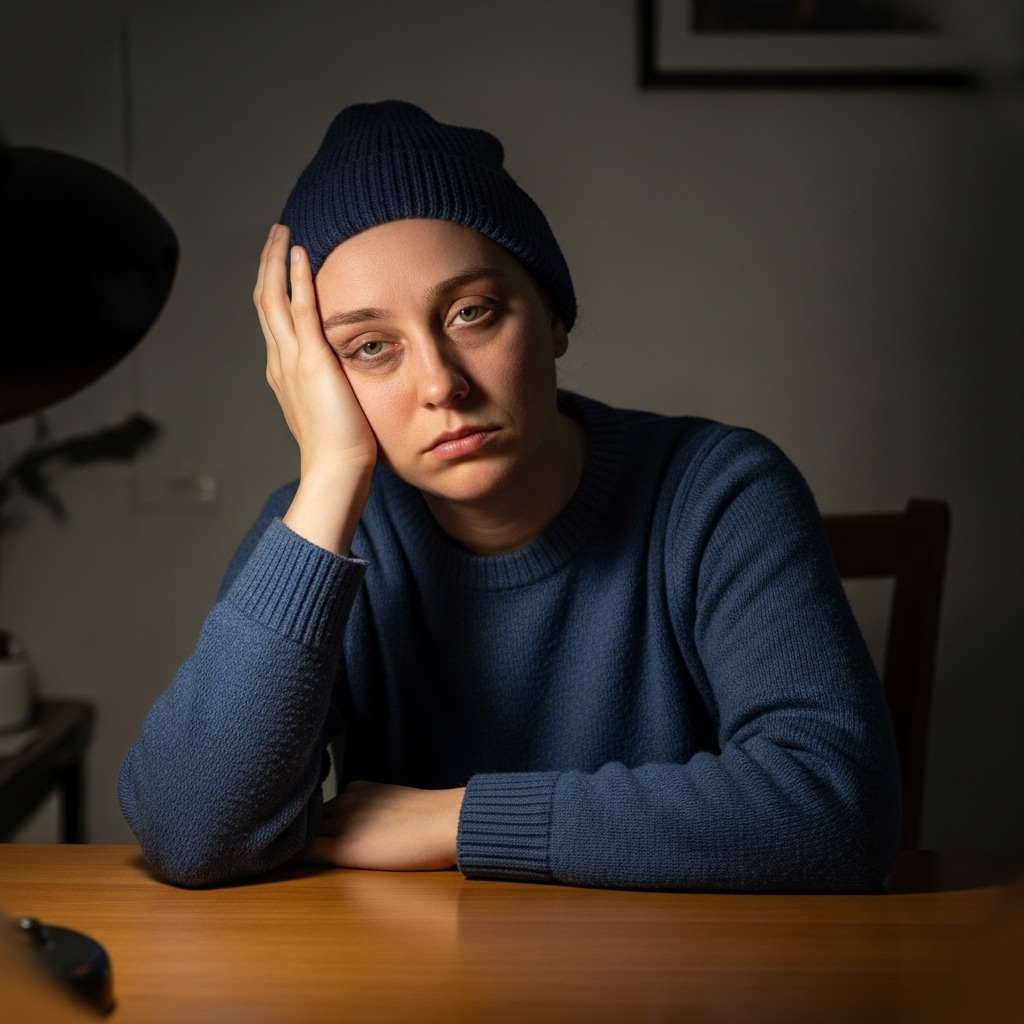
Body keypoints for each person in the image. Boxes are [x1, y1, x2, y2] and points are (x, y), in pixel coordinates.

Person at [119, 101, 901, 891]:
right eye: (369, 348)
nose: (439, 384)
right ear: (316, 379)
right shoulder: (324, 532)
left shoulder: (720, 492)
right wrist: (329, 476)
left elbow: (839, 812)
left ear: (553, 316)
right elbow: (192, 833)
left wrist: (455, 820)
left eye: (472, 313)